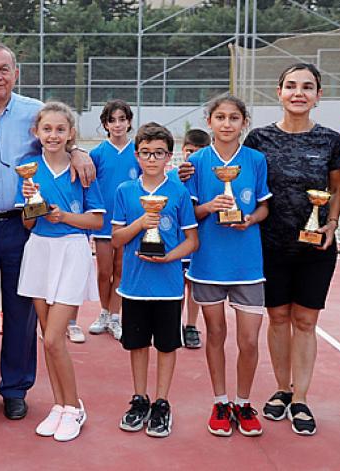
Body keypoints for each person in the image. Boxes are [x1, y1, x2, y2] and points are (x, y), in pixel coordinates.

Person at [0, 43, 95, 420]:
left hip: (22, 226)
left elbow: (58, 139)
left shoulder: (34, 112)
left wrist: (78, 151)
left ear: (16, 74)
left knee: (20, 311)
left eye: (3, 69)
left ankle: (15, 388)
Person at [243, 63, 340, 436]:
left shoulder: (331, 140)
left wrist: (331, 225)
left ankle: (301, 397)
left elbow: (335, 189)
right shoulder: (258, 139)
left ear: (319, 95)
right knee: (278, 319)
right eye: (291, 86)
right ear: (279, 92)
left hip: (315, 247)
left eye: (307, 87)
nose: (298, 92)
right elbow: (239, 178)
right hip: (269, 245)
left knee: (305, 321)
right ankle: (282, 389)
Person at [183, 94, 271, 437]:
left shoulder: (256, 160)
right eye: (220, 117)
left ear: (243, 122)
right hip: (209, 262)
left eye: (234, 117)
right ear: (210, 122)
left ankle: (244, 402)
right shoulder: (196, 163)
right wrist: (209, 205)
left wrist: (249, 219)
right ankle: (220, 401)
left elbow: (264, 207)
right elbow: (189, 212)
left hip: (248, 264)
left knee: (249, 340)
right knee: (215, 334)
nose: (227, 123)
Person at [16, 101, 104, 442]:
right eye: (47, 129)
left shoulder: (83, 168)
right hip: (38, 250)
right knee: (46, 338)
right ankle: (59, 405)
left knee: (55, 338)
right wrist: (30, 205)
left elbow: (96, 221)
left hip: (71, 249)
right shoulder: (28, 169)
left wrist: (63, 216)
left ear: (71, 134)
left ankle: (75, 407)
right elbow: (27, 222)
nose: (53, 135)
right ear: (36, 133)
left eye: (60, 129)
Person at [111, 122, 198, 438]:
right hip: (134, 287)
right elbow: (117, 238)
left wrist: (168, 257)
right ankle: (140, 398)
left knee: (165, 345)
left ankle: (162, 402)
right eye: (146, 153)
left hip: (169, 287)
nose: (151, 158)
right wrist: (140, 223)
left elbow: (191, 241)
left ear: (169, 157)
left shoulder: (179, 192)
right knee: (137, 345)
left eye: (158, 153)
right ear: (137, 155)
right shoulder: (125, 191)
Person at [86, 99, 140, 343]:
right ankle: (104, 312)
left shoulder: (138, 152)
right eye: (112, 120)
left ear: (129, 122)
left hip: (128, 223)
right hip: (105, 222)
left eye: (122, 119)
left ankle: (116, 316)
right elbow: (90, 187)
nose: (117, 124)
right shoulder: (97, 154)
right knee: (104, 270)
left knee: (121, 269)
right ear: (105, 124)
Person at [175, 129, 210, 349]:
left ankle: (191, 326)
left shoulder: (209, 176)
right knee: (177, 286)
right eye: (189, 151)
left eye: (198, 151)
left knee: (193, 287)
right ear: (183, 150)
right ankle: (174, 324)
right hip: (177, 242)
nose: (192, 156)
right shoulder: (174, 176)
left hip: (198, 243)